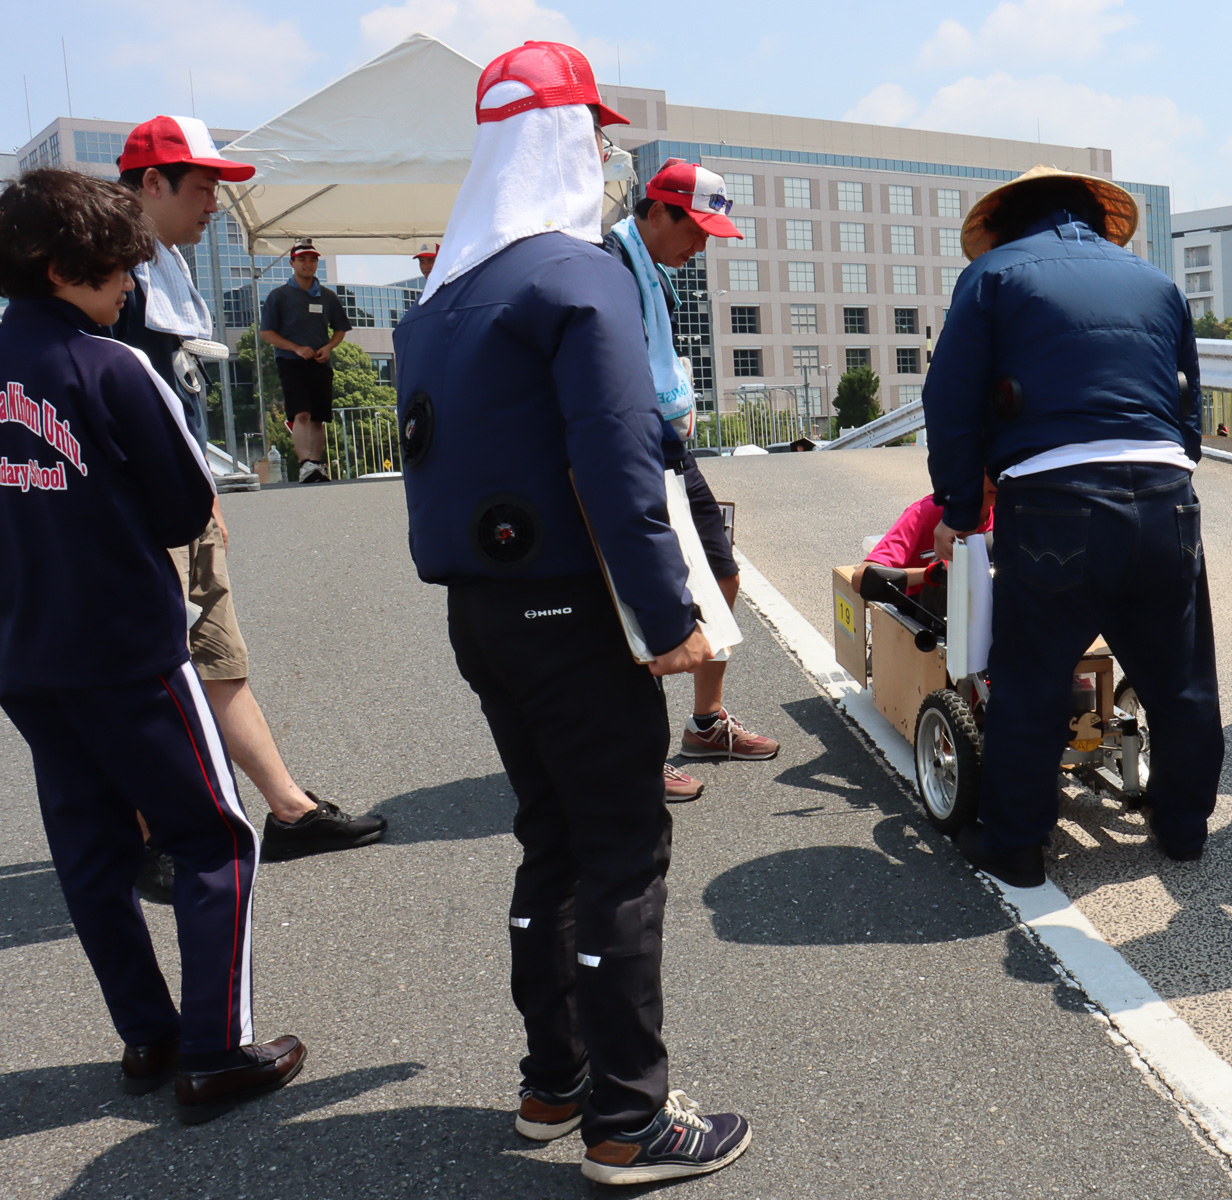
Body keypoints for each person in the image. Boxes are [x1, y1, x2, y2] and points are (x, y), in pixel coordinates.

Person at [394, 42, 750, 1183]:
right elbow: (615, 456)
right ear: (568, 141)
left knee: (549, 840)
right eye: (594, 138)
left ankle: (553, 1084)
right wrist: (670, 619)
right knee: (623, 854)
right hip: (573, 609)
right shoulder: (574, 272)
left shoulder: (446, 291)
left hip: (482, 614)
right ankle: (630, 1121)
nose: (602, 158)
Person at [0, 168, 305, 1121]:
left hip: (23, 652)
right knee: (213, 836)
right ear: (60, 269)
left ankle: (149, 1031)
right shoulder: (110, 366)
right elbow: (183, 505)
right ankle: (218, 1050)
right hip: (127, 648)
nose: (129, 284)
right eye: (112, 268)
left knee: (89, 849)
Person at [922, 165, 1223, 888]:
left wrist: (963, 514)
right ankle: (1183, 828)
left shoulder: (993, 277)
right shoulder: (1154, 281)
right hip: (1163, 492)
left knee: (1031, 674)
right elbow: (1188, 402)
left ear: (1003, 222)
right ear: (1091, 215)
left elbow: (951, 400)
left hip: (1055, 498)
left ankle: (1018, 845)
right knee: (1180, 678)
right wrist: (1170, 468)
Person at [111, 116, 385, 894]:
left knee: (215, 661)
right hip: (140, 511)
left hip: (177, 500)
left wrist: (199, 493)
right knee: (153, 673)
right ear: (152, 183)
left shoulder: (160, 262)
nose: (213, 207)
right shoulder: (116, 268)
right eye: (202, 189)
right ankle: (148, 835)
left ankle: (288, 811)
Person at [604, 160, 779, 804]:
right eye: (697, 229)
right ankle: (632, 755)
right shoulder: (609, 264)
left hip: (670, 443)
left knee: (722, 573)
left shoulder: (652, 268)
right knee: (634, 601)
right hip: (628, 449)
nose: (704, 244)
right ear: (657, 212)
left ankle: (706, 722)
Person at [259, 238, 348, 483]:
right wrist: (296, 348)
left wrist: (329, 347)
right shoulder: (278, 296)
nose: (308, 264)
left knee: (319, 416)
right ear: (292, 262)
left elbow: (340, 329)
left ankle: (316, 464)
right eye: (302, 259)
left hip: (320, 363)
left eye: (312, 259)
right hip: (291, 361)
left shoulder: (328, 297)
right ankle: (304, 463)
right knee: (302, 413)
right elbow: (266, 332)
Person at [848, 474, 998, 598]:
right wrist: (931, 574)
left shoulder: (1006, 513)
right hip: (925, 615)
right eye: (986, 469)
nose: (995, 477)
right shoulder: (926, 512)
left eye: (1001, 468)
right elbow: (860, 580)